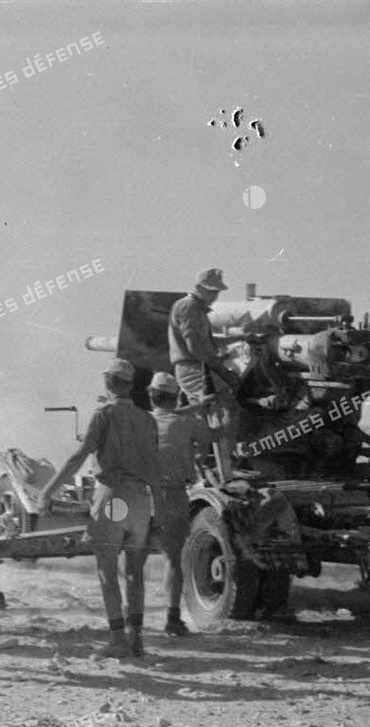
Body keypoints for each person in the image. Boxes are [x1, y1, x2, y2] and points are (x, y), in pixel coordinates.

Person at [41, 358, 161, 658]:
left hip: (114, 498)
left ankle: (117, 639)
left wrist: (47, 491)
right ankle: (136, 638)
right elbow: (154, 467)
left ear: (108, 383)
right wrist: (158, 507)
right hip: (140, 500)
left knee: (108, 573)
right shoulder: (148, 420)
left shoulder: (103, 415)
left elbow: (78, 457)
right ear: (131, 385)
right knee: (135, 573)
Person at [148, 372, 214, 636]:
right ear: (176, 397)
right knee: (172, 560)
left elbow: (165, 414)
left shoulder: (139, 420)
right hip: (172, 497)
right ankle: (173, 619)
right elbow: (209, 438)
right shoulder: (188, 424)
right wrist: (202, 409)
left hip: (137, 496)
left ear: (151, 395)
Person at [168, 267, 240, 478]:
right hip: (193, 368)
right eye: (212, 291)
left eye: (217, 292)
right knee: (225, 408)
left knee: (203, 419)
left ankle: (198, 466)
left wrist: (239, 338)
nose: (216, 296)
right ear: (199, 288)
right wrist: (221, 368)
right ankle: (226, 464)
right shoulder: (188, 307)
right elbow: (195, 348)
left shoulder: (197, 309)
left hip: (197, 366)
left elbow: (207, 343)